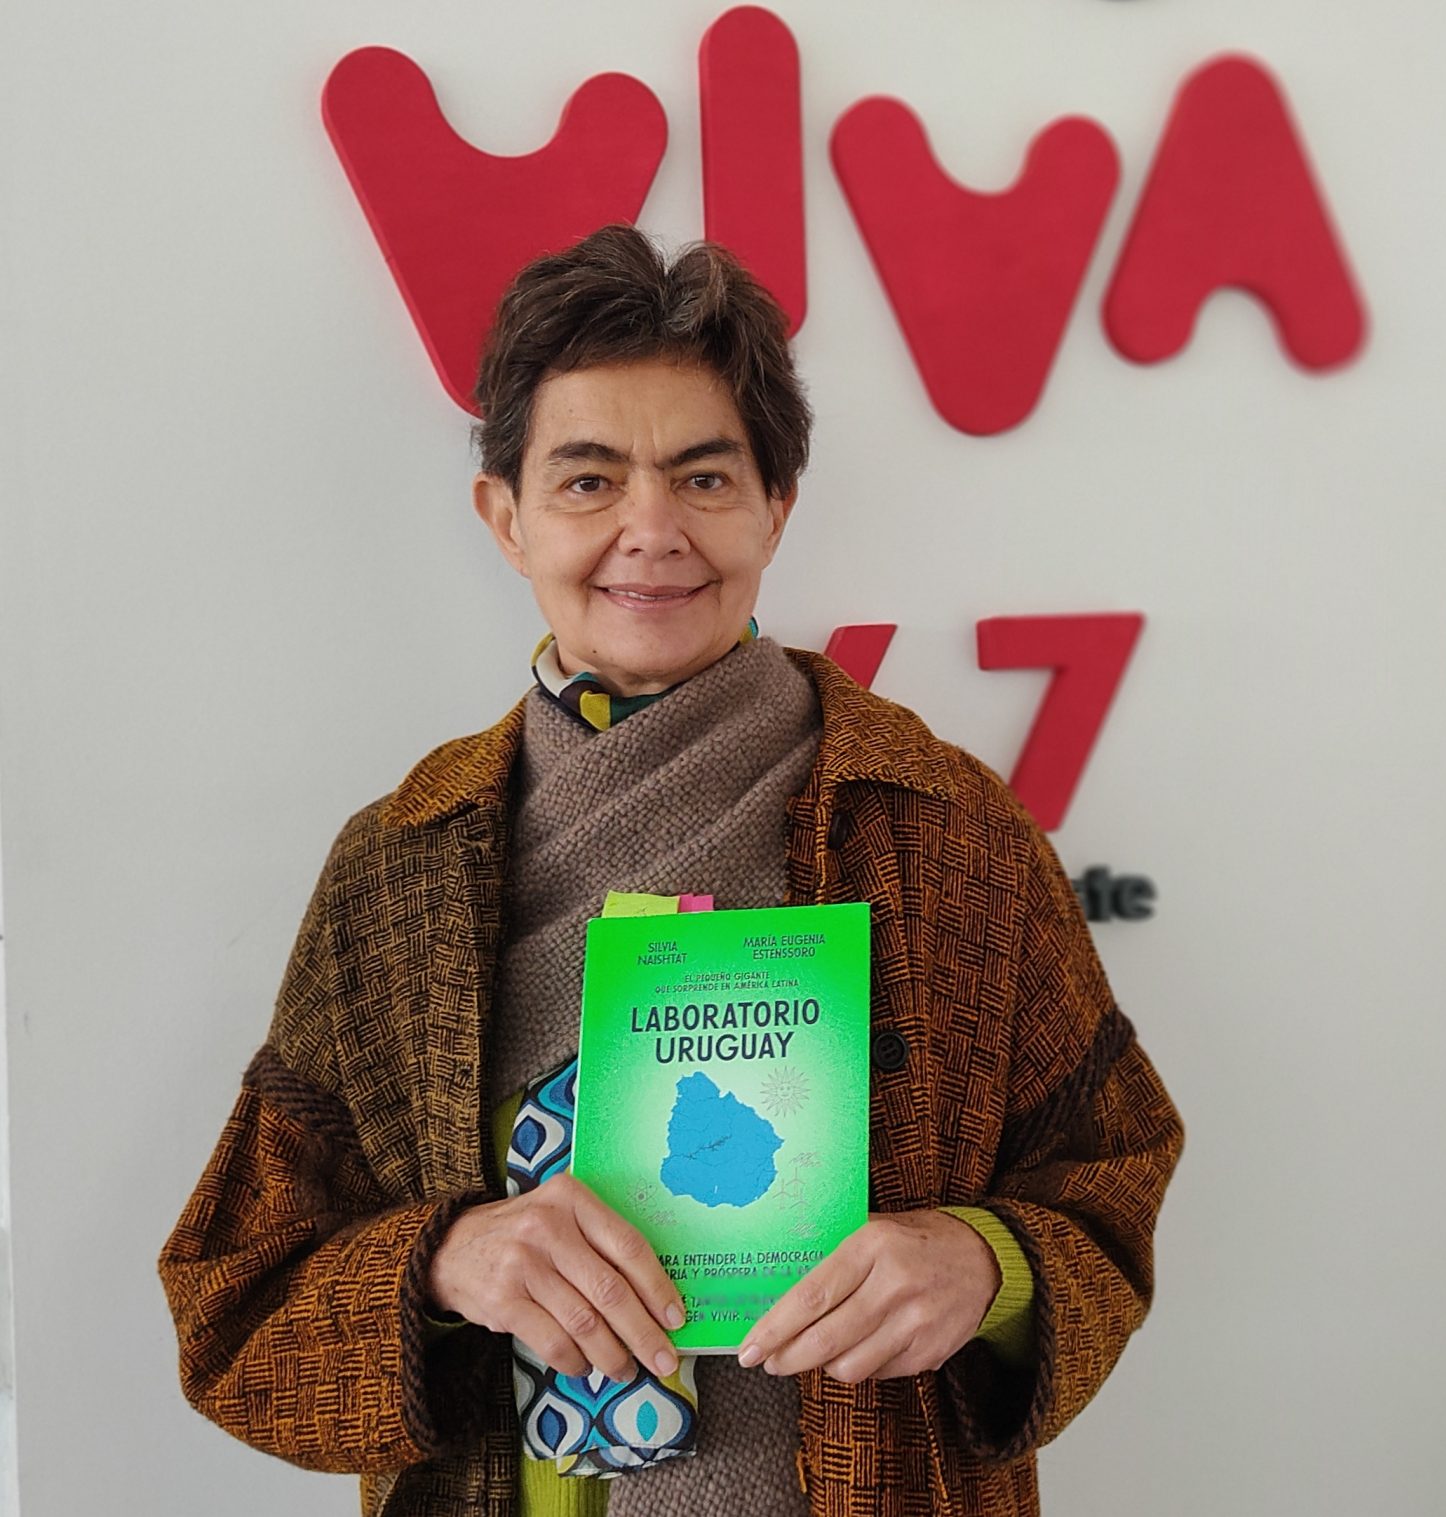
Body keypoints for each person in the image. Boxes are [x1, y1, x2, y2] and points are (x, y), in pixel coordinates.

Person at [160, 224, 1183, 1517]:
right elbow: (234, 1296)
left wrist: (987, 1264)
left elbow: (1110, 1170)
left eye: (704, 478)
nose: (651, 532)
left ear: (776, 507)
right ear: (505, 516)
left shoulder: (943, 828)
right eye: (588, 481)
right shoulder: (401, 865)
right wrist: (445, 1260)